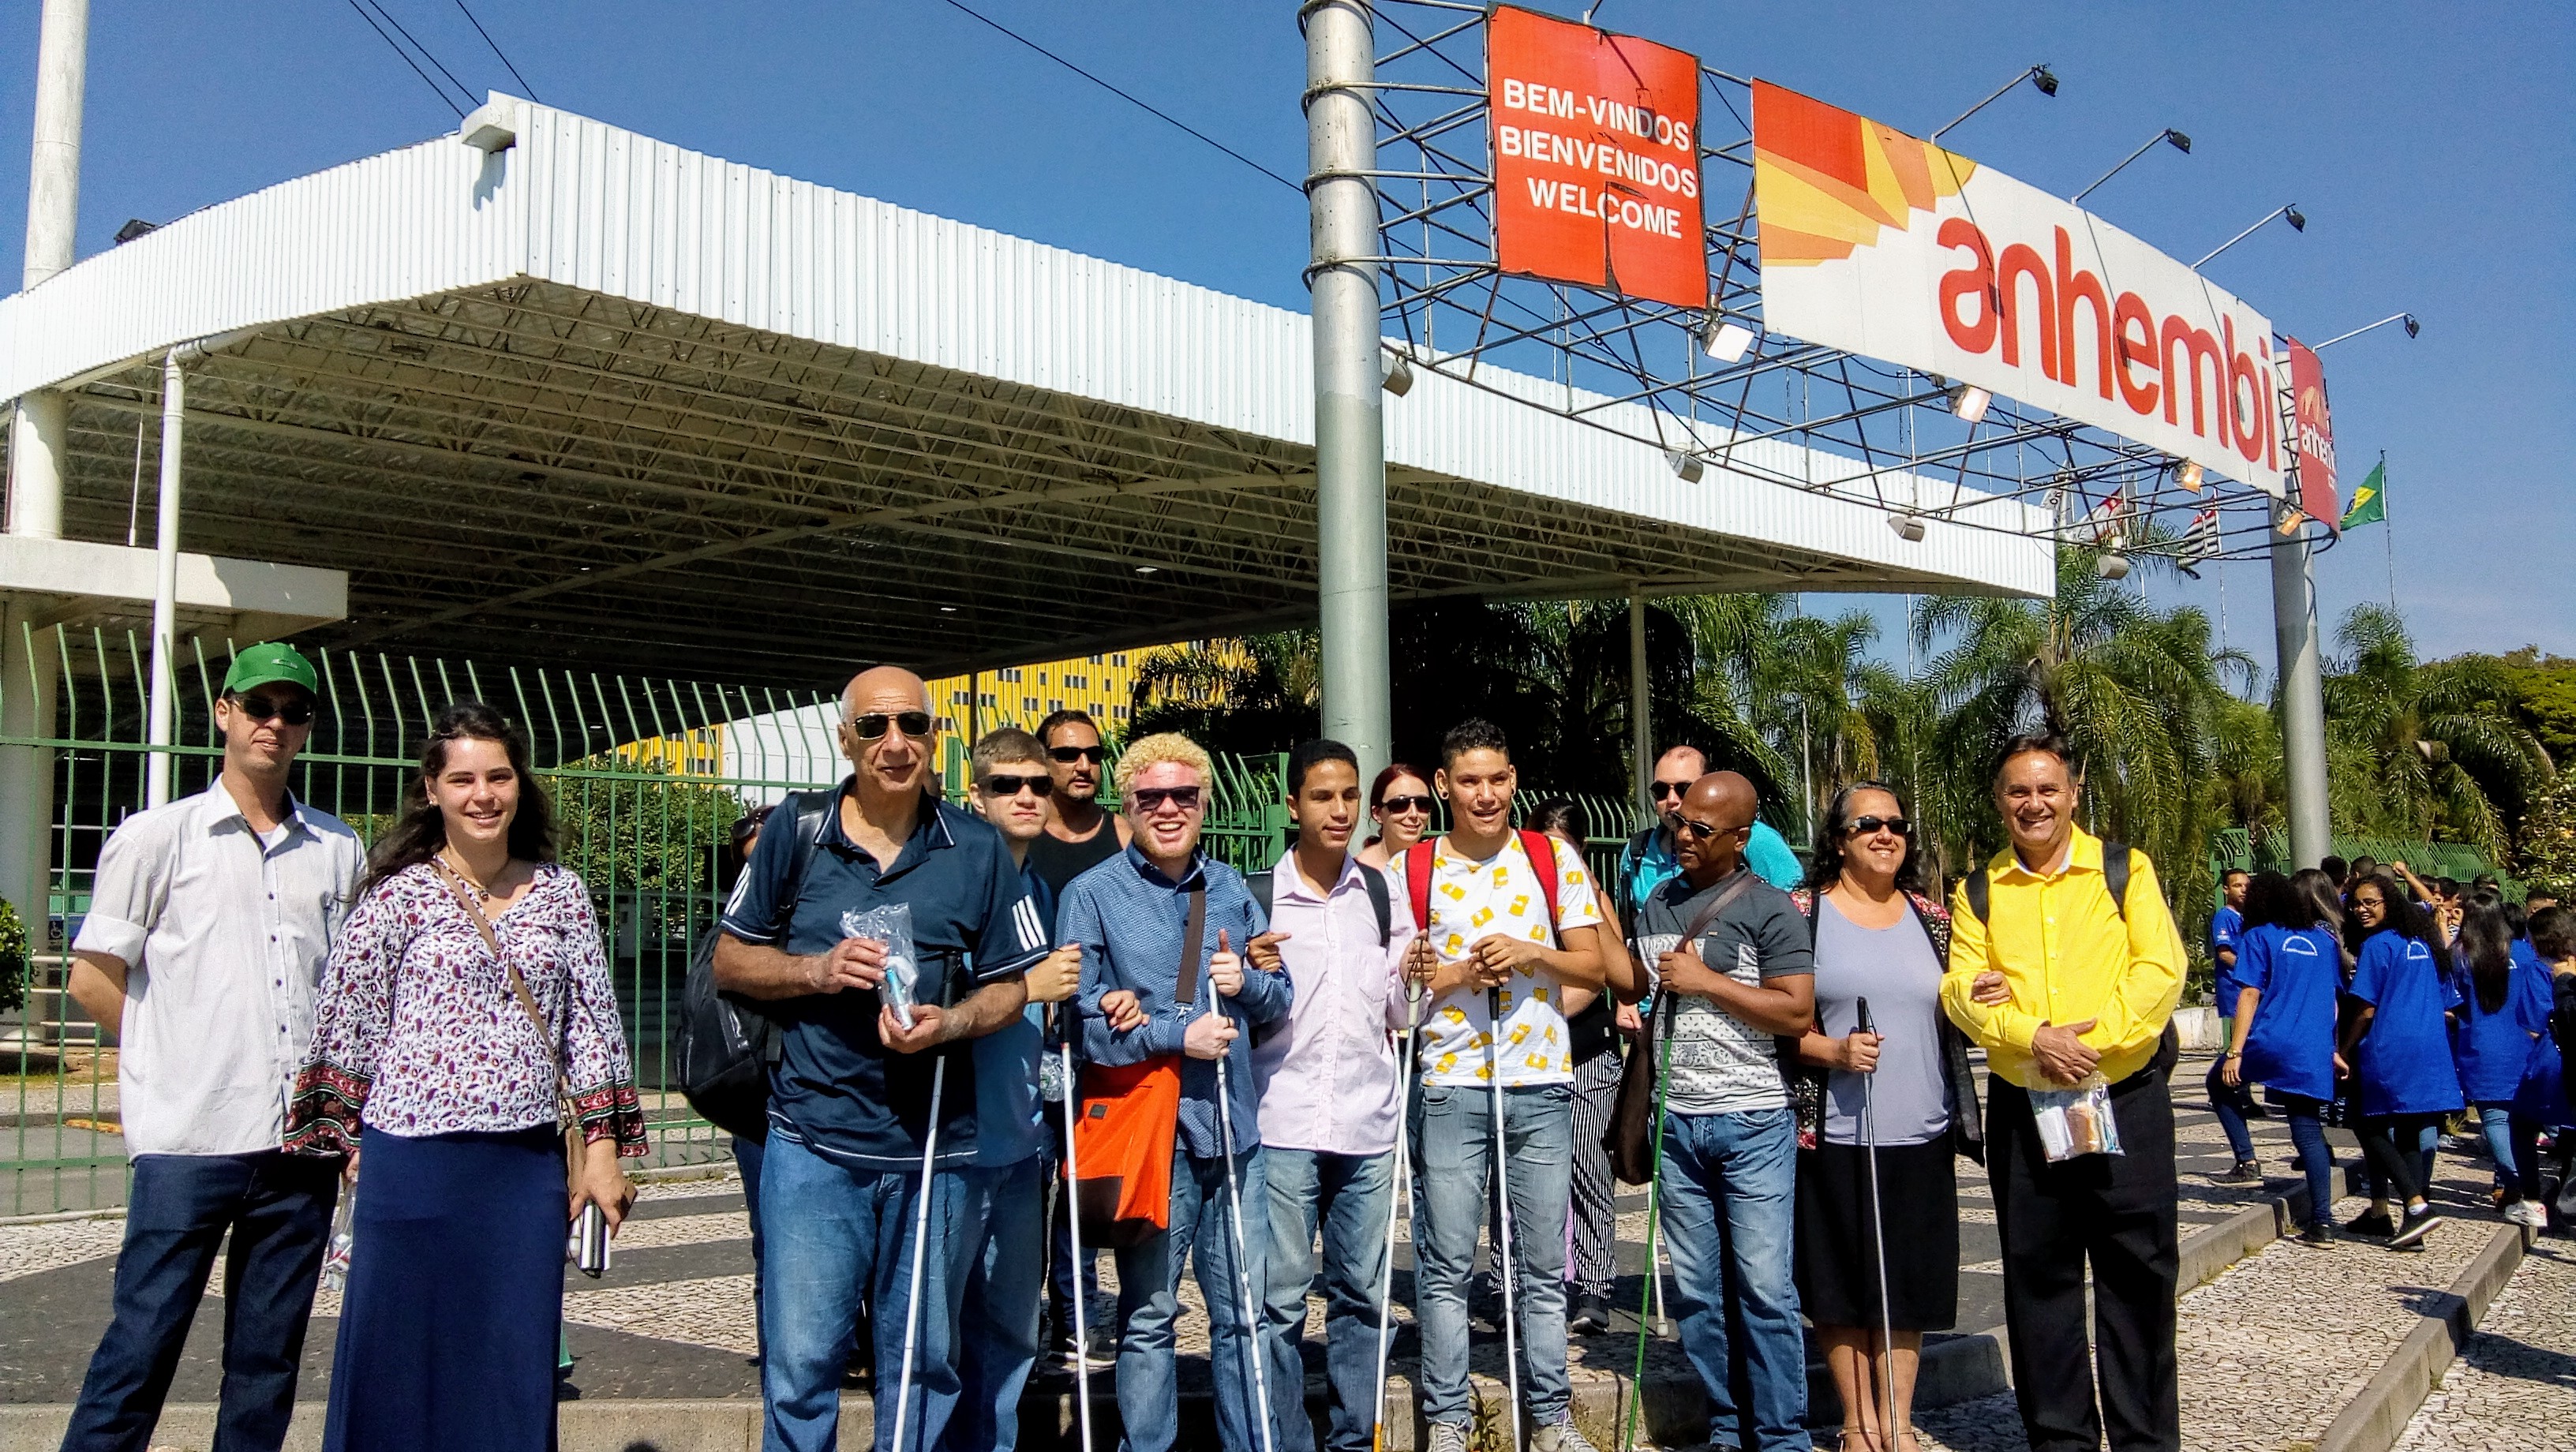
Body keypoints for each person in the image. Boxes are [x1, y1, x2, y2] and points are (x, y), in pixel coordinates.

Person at [284, 702, 646, 1450]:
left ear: (520, 785)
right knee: (398, 1357)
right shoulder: (395, 897)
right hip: (410, 1167)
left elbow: (593, 1027)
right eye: (463, 779)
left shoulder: (562, 893)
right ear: (432, 791)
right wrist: (350, 1145)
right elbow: (348, 1024)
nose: (483, 795)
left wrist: (604, 1153)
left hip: (520, 1172)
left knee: (509, 1357)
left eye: (499, 776)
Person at [712, 668, 1044, 1452]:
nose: (894, 743)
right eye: (873, 727)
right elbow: (730, 959)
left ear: (935, 736)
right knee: (802, 1364)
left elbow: (1013, 986)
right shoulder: (797, 832)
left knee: (925, 1364)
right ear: (845, 739)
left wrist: (952, 1021)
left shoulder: (977, 846)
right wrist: (814, 971)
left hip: (936, 1147)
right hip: (813, 1141)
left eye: (911, 725)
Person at [58, 644, 365, 1452]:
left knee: (266, 1369)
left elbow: (348, 998)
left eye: (293, 711)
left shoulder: (338, 850)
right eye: (259, 705)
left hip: (300, 1148)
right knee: (139, 1352)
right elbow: (92, 978)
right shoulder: (160, 837)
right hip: (190, 1141)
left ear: (307, 728)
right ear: (223, 712)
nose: (275, 722)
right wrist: (173, 1050)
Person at [1939, 734, 2185, 1452]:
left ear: (2073, 794)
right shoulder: (1978, 889)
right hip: (2027, 1108)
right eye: (2019, 791)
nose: (2034, 803)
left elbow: (2159, 971)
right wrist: (2032, 1033)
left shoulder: (2122, 870)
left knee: (2137, 1280)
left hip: (2124, 1099)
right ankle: (2061, 1439)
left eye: (2048, 789)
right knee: (2038, 1283)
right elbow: (1960, 988)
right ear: (1999, 801)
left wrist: (2091, 1043)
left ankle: (2145, 1440)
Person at [1065, 732, 1291, 1452]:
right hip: (1152, 1138)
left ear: (1204, 802)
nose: (1168, 809)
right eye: (1150, 797)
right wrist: (1174, 1033)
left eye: (1184, 796)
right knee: (1149, 1317)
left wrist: (1247, 984)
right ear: (1125, 806)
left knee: (1245, 1315)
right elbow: (1081, 1025)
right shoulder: (1091, 895)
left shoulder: (1231, 888)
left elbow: (1278, 999)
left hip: (1233, 1135)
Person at [1402, 720, 1608, 1452]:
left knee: (1542, 1266)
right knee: (1448, 1261)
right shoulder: (1414, 867)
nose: (1484, 795)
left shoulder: (1550, 858)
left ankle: (1551, 1418)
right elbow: (1403, 979)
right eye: (1468, 781)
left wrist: (1529, 952)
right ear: (1443, 786)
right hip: (1454, 1080)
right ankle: (1450, 1419)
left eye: (1496, 779)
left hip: (1540, 1080)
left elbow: (1596, 968)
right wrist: (1458, 973)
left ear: (1514, 780)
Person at [1621, 772, 1814, 1452]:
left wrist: (1709, 981)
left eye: (1702, 830)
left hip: (1753, 1118)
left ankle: (1783, 1434)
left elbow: (1796, 1010)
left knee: (1764, 1290)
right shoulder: (1656, 901)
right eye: (1679, 824)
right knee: (1699, 1293)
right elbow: (1636, 983)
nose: (1683, 837)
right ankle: (1729, 1427)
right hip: (1677, 1121)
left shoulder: (1771, 908)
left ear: (1741, 838)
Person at [1789, 782, 1979, 1452]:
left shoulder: (1935, 918)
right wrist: (1829, 1049)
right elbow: (1773, 1022)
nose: (1885, 834)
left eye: (1896, 824)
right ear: (1839, 839)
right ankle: (1855, 1423)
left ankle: (1897, 1421)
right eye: (1868, 823)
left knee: (1908, 1281)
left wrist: (1987, 993)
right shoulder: (1801, 913)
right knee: (1841, 1283)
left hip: (1920, 1126)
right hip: (1833, 1131)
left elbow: (1961, 1006)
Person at [1248, 739, 1421, 1452]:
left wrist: (1417, 974)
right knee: (1279, 1302)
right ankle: (1284, 1439)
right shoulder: (1257, 895)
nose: (1340, 810)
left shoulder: (1381, 892)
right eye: (1323, 796)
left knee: (1363, 1298)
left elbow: (1401, 1013)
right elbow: (1240, 1007)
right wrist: (1252, 973)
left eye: (1350, 795)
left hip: (1367, 1121)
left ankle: (1355, 1438)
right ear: (1293, 805)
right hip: (1282, 1118)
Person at [957, 727, 1088, 1450]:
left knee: (1009, 1331)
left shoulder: (1037, 882)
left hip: (1021, 1136)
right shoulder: (954, 876)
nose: (1030, 796)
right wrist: (1025, 987)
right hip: (956, 1142)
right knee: (940, 1329)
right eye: (1009, 785)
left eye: (1039, 783)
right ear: (977, 796)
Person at [1525, 798, 1641, 1338]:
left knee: (1590, 1170)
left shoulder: (1590, 895)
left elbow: (1609, 974)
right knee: (1520, 1179)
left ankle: (1594, 1286)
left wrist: (1593, 901)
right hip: (1526, 1055)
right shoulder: (1518, 890)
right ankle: (1518, 1282)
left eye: (1563, 850)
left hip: (1586, 1052)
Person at [2222, 869, 2350, 1242]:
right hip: (2312, 1047)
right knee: (2307, 1128)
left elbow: (2249, 995)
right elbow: (2333, 1001)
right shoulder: (2324, 940)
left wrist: (2235, 1051)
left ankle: (2246, 1159)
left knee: (2220, 1084)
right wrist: (2332, 1048)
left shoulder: (2259, 936)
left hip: (2271, 1040)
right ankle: (2323, 1221)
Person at [2336, 872, 2459, 1250]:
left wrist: (2343, 1048)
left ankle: (2416, 1203)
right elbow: (2448, 1003)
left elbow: (2367, 1009)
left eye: (2370, 902)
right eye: (2356, 903)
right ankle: (2412, 1223)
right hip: (2430, 1046)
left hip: (2391, 1046)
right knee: (2409, 1130)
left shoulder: (2378, 946)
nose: (2361, 910)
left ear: (2389, 902)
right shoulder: (2425, 943)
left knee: (2367, 1123)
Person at [2447, 894, 2551, 1228]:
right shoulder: (2524, 952)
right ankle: (2514, 1184)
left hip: (2481, 1046)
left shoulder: (2462, 956)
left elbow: (2452, 1002)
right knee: (2521, 1124)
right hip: (2524, 1045)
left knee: (2494, 1119)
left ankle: (2517, 1183)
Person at [1616, 747, 1800, 915]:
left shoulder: (1751, 837)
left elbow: (1795, 903)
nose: (1671, 800)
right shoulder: (1637, 851)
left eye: (1684, 788)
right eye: (1661, 790)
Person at [2203, 870, 2272, 1182]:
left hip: (2255, 994)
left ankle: (2243, 1093)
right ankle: (2240, 1090)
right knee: (2237, 1042)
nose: (2243, 890)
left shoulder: (2255, 922)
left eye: (2247, 885)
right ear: (2226, 890)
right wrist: (2251, 970)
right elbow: (2225, 952)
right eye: (2237, 885)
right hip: (2237, 990)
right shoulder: (2225, 917)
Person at [1025, 708, 1133, 900]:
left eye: (1094, 755)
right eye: (1067, 755)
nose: (1084, 766)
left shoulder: (1126, 838)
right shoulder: (1019, 837)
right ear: (1040, 761)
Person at [1354, 762, 1433, 874]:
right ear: (1377, 813)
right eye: (1400, 805)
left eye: (1423, 804)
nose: (1414, 814)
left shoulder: (1441, 866)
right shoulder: (1357, 873)